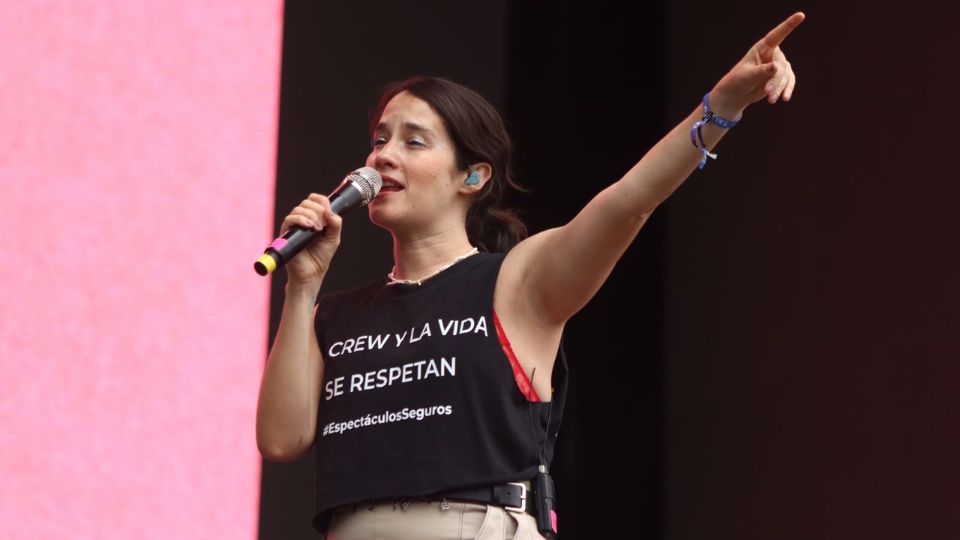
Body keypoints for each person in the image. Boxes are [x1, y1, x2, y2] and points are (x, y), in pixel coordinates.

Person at [256, 12, 805, 540]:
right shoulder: (336, 315)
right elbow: (281, 440)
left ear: (472, 175)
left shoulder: (516, 281)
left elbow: (628, 203)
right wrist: (302, 285)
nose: (382, 158)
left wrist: (724, 104)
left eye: (412, 141)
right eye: (379, 140)